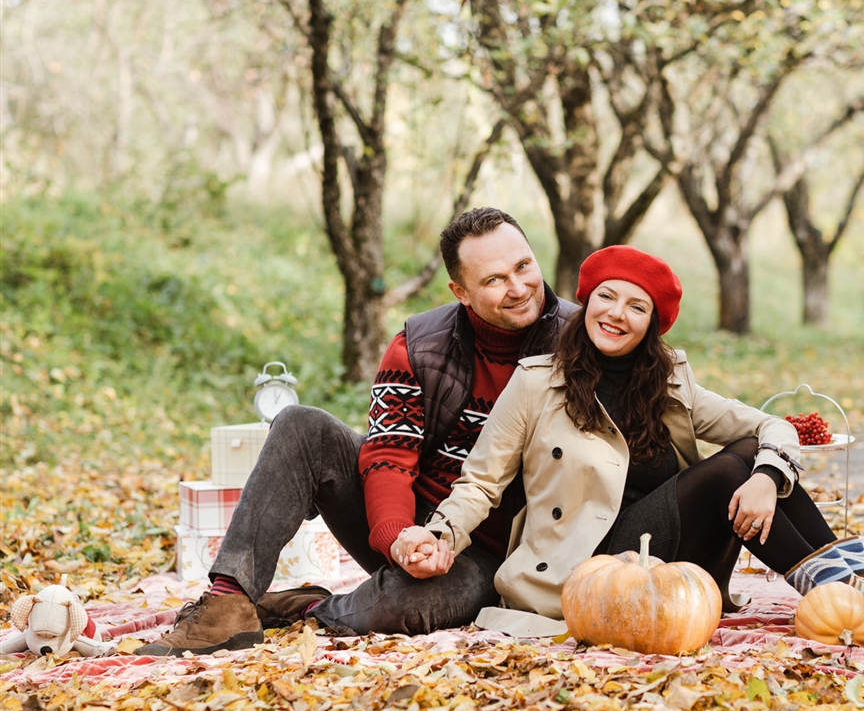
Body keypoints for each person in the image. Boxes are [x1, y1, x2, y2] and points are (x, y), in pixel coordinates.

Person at [395, 245, 864, 636]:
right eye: (607, 298)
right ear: (587, 303)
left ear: (653, 323)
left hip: (676, 565)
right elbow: (482, 480)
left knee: (752, 456)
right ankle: (848, 595)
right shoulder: (539, 381)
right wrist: (441, 533)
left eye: (637, 307)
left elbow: (771, 426)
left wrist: (768, 477)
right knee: (732, 467)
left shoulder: (667, 382)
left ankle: (856, 589)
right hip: (593, 570)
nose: (617, 314)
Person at [138, 207, 575, 655]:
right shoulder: (420, 345)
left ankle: (309, 609)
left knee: (401, 609)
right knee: (301, 425)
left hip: (492, 549)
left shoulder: (579, 346)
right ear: (460, 291)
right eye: (494, 280)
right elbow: (389, 455)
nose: (519, 288)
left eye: (523, 266)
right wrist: (398, 538)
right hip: (406, 516)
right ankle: (226, 605)